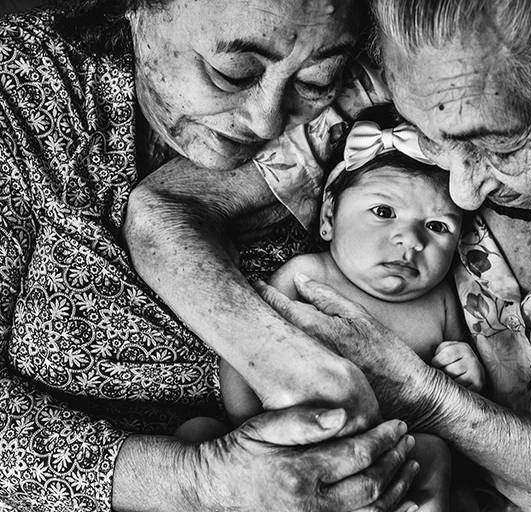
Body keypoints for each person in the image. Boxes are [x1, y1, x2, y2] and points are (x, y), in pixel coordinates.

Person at [126, 0, 531, 510]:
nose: (460, 194)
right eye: (429, 137)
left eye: (497, 144)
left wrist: (427, 397)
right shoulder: (414, 67)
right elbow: (164, 212)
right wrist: (287, 366)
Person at [0, 1, 423, 510]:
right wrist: (199, 481)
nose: (266, 121)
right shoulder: (25, 80)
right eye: (232, 72)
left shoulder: (367, 121)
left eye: (315, 81)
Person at [207, 114, 485, 512]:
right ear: (328, 217)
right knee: (199, 434)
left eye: (438, 226)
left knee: (434, 455)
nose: (411, 239)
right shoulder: (306, 276)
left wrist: (467, 370)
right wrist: (248, 421)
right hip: (296, 445)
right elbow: (244, 346)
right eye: (384, 211)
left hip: (391, 454)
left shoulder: (441, 300)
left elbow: (460, 379)